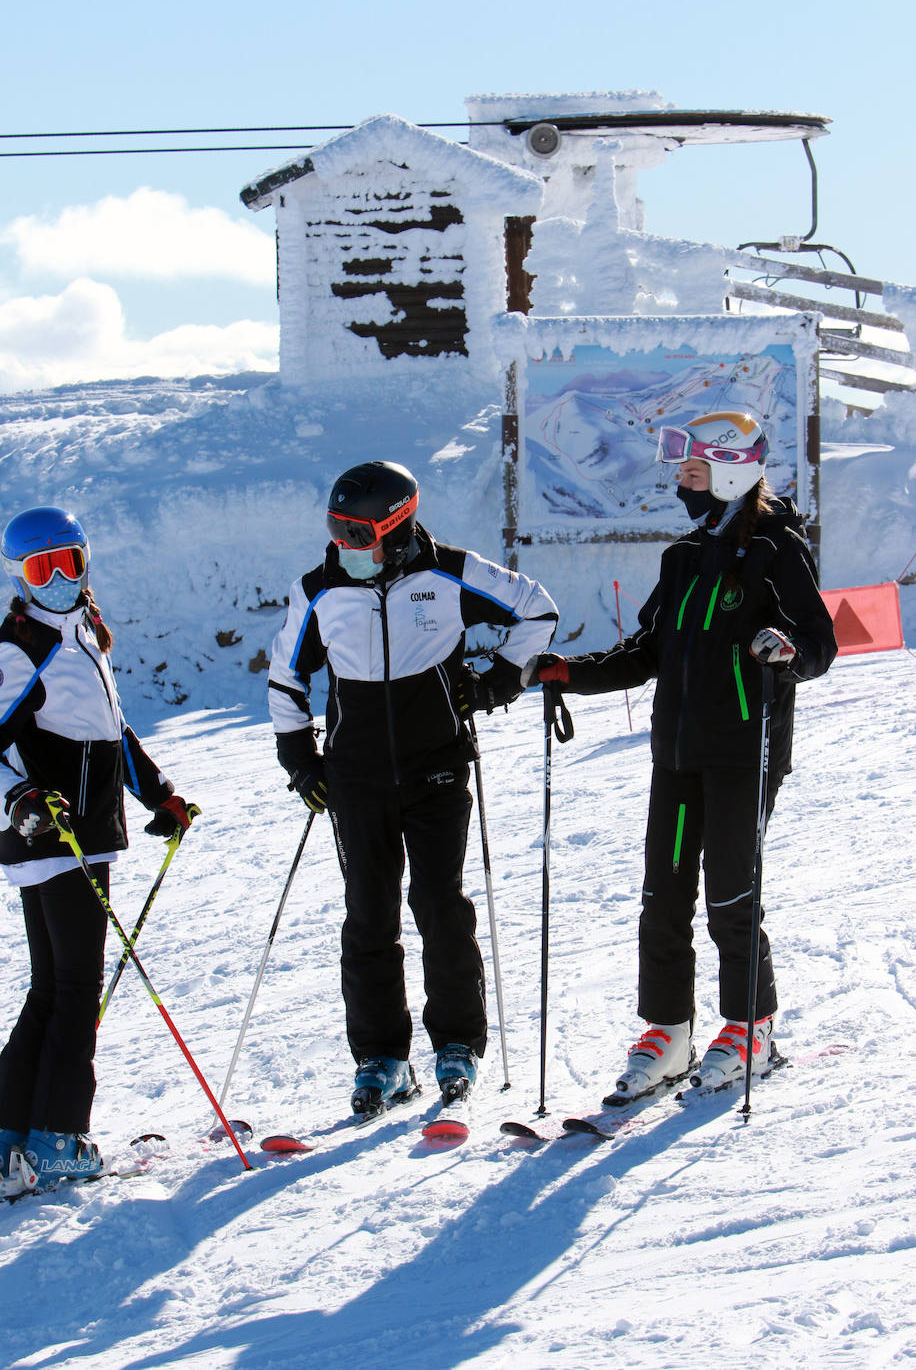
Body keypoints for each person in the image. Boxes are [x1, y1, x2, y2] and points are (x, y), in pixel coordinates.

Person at [522, 411, 837, 1099]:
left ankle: (750, 1026)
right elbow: (648, 653)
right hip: (677, 752)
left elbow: (820, 640)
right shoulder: (685, 556)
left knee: (730, 892)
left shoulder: (777, 549)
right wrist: (568, 672)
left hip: (743, 749)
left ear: (729, 472)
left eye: (692, 470)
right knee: (662, 895)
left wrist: (787, 653)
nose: (682, 481)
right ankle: (668, 1031)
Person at [268, 460, 558, 1115]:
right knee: (368, 916)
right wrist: (301, 762)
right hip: (356, 777)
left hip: (438, 767)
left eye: (359, 532)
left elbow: (536, 610)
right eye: (337, 529)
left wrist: (496, 684)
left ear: (397, 527)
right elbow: (286, 680)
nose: (345, 544)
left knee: (439, 905)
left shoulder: (450, 572)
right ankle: (382, 1059)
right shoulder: (318, 590)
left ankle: (457, 1044)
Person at [0, 506, 196, 1192]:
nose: (55, 578)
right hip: (53, 834)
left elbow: (109, 730)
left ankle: (11, 1138)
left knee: (54, 987)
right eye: (38, 568)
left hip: (76, 835)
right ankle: (57, 1137)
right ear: (19, 577)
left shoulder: (82, 634)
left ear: (84, 562)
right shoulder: (21, 646)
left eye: (66, 563)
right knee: (76, 987)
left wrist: (160, 795)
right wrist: (20, 799)